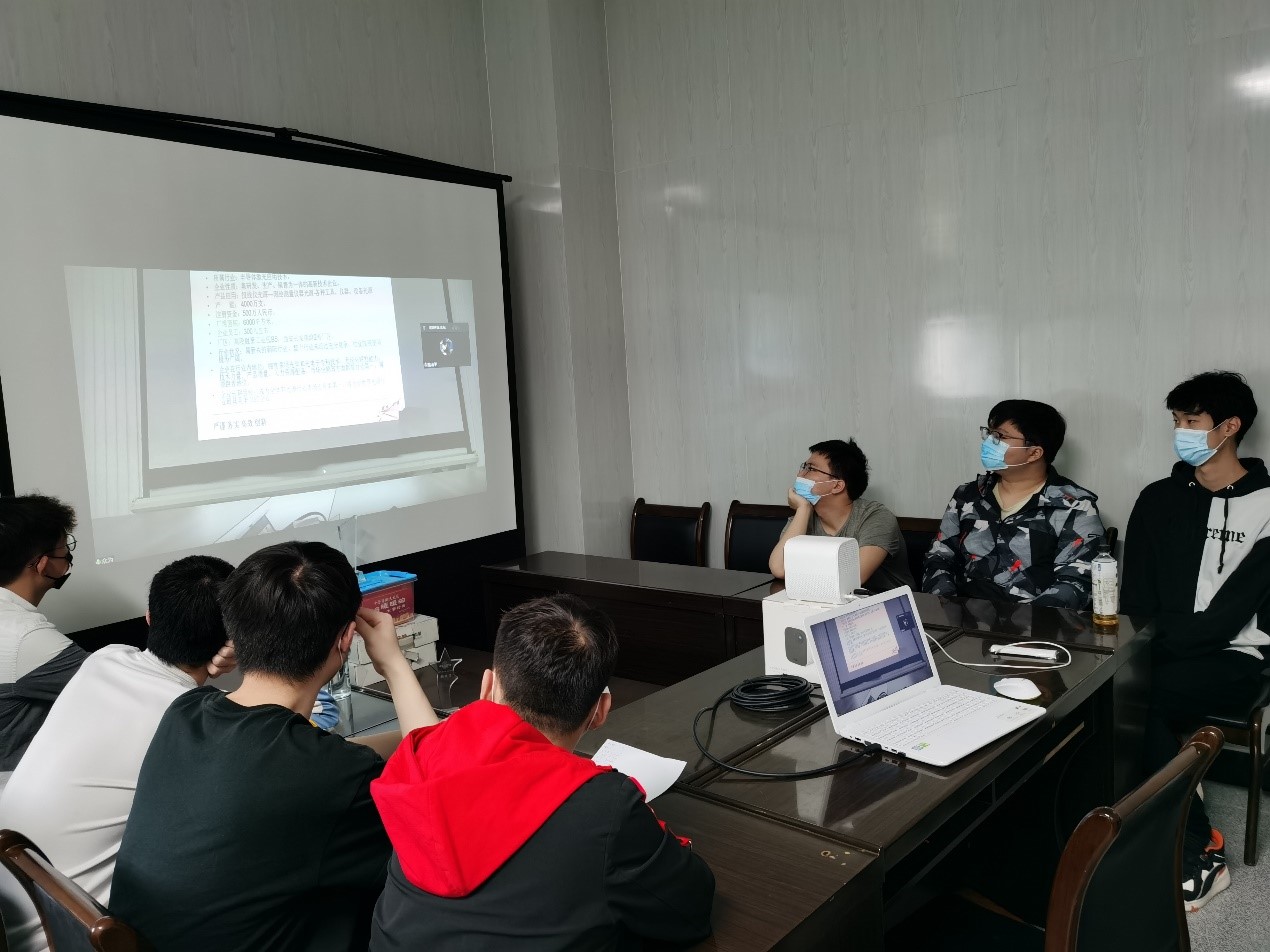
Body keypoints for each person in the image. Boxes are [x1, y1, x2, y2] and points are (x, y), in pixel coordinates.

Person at [111, 541, 437, 952]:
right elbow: (445, 816)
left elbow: (306, 759)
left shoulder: (187, 712)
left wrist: (415, 736)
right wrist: (393, 663)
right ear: (346, 638)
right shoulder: (335, 775)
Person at [369, 594, 715, 951]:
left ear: (488, 687)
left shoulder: (420, 759)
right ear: (600, 711)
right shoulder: (606, 807)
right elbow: (691, 908)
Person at [0, 555, 237, 952]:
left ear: (149, 617)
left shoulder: (106, 658)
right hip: (72, 938)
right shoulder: (195, 722)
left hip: (21, 919)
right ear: (234, 638)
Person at [1122, 371, 1270, 913]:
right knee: (1117, 693)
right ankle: (1137, 825)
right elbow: (1136, 594)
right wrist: (1142, 650)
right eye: (1176, 421)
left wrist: (1155, 655)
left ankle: (1198, 850)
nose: (1180, 432)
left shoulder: (1268, 505)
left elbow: (1235, 611)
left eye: (1191, 421)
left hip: (1238, 655)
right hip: (1161, 646)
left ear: (1229, 427)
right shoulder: (1158, 498)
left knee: (1144, 698)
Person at [922, 400, 1105, 608]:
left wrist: (1027, 623)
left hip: (1034, 622)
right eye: (989, 433)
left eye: (1000, 436)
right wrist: (947, 609)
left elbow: (1076, 582)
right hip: (960, 616)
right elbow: (939, 557)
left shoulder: (1075, 506)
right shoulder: (968, 495)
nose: (989, 441)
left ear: (1034, 453)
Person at [0, 494, 84, 779]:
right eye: (64, 548)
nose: (68, 555)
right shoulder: (26, 637)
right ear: (43, 564)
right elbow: (118, 687)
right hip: (16, 788)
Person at [769, 439, 913, 590]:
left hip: (885, 601)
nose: (800, 474)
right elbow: (779, 568)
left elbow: (853, 577)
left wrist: (799, 570)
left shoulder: (876, 517)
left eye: (811, 469)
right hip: (825, 599)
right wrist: (803, 509)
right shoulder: (803, 517)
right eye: (803, 467)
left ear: (837, 486)